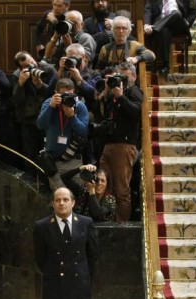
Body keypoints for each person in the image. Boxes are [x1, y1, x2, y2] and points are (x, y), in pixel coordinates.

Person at [33, 187, 98, 299]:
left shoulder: (85, 223)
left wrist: (85, 278)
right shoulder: (42, 226)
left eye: (65, 200)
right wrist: (53, 272)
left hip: (79, 288)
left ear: (73, 203)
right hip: (53, 287)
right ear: (53, 203)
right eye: (58, 200)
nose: (61, 203)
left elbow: (92, 256)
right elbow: (39, 258)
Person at [94, 62, 142, 222]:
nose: (122, 80)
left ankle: (121, 225)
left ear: (134, 77)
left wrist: (121, 96)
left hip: (124, 144)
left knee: (121, 189)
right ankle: (106, 218)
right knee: (105, 184)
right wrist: (107, 92)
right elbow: (105, 114)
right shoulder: (114, 94)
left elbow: (137, 113)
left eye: (125, 77)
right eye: (119, 77)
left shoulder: (134, 92)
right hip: (109, 143)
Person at [37, 78, 89, 190]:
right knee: (60, 197)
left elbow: (84, 132)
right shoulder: (49, 103)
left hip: (73, 161)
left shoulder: (79, 106)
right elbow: (40, 125)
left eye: (70, 95)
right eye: (63, 95)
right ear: (56, 93)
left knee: (77, 196)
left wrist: (72, 117)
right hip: (54, 162)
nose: (67, 98)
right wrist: (51, 106)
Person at [11, 51, 57, 166]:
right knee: (30, 155)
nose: (32, 66)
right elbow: (16, 101)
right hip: (28, 121)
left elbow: (54, 94)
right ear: (21, 68)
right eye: (26, 66)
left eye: (31, 62)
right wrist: (20, 84)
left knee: (48, 153)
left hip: (47, 118)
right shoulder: (17, 75)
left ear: (33, 57)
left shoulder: (49, 69)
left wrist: (40, 85)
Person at [143, 0, 196, 75]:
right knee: (164, 30)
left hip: (179, 25)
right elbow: (147, 11)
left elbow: (193, 12)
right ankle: (165, 66)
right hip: (163, 27)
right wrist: (146, 24)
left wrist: (187, 22)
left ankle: (155, 28)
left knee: (176, 14)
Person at [48, 43, 101, 110]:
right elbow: (49, 91)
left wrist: (79, 79)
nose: (71, 61)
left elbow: (94, 94)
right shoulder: (64, 73)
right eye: (69, 58)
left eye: (74, 57)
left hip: (85, 110)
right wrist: (60, 70)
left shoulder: (94, 74)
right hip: (62, 109)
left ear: (84, 57)